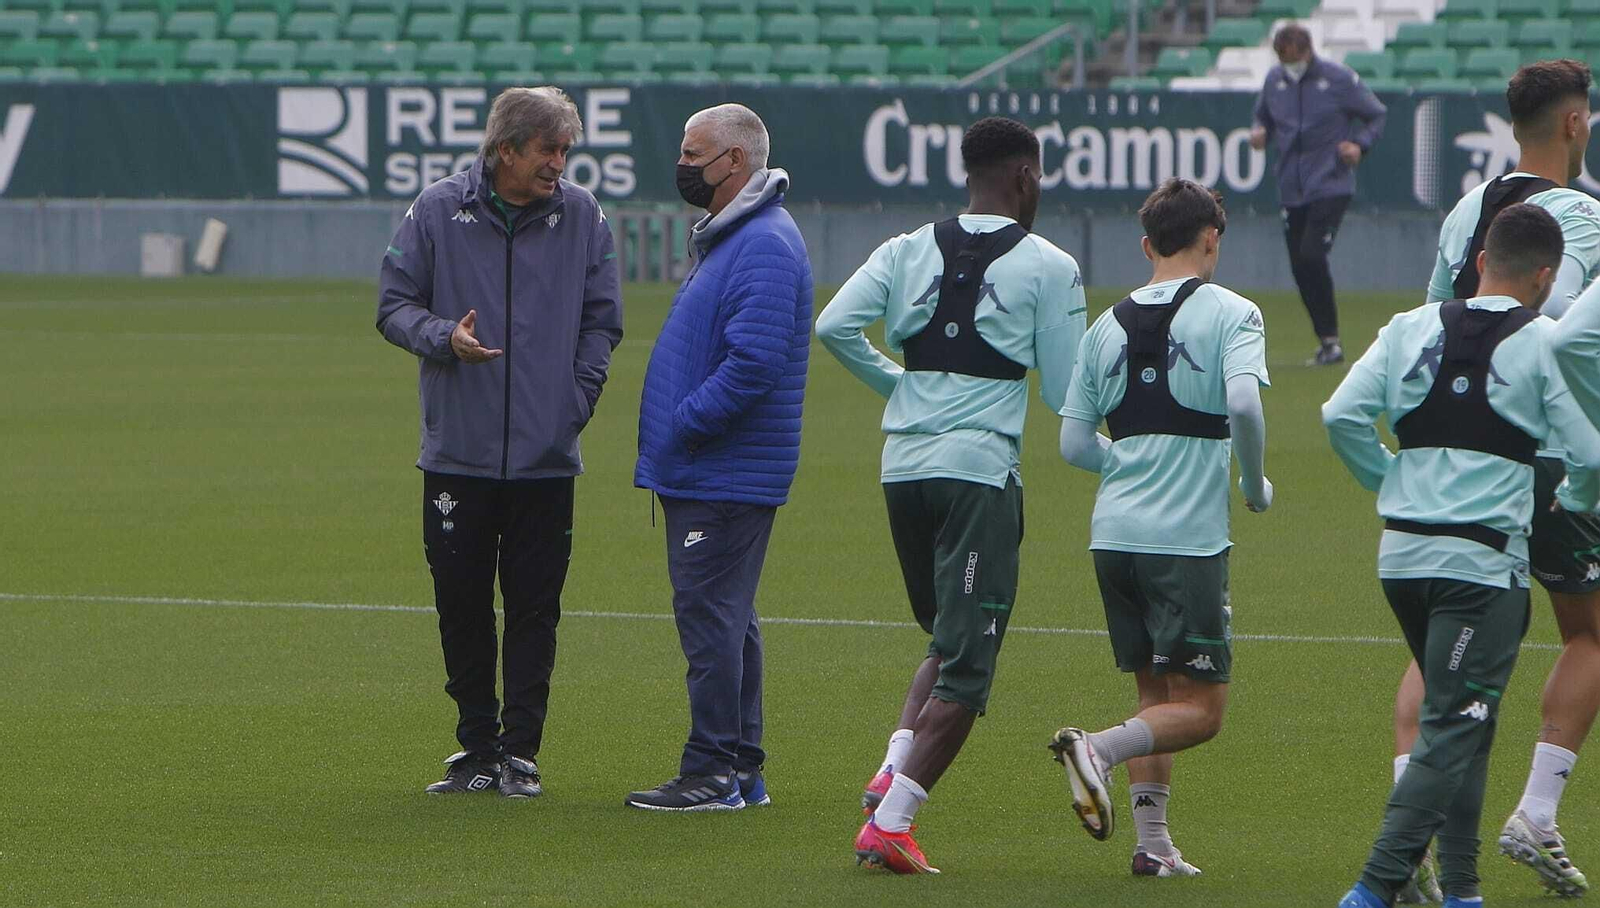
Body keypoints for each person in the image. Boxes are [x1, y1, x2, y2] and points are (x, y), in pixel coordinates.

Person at [816, 116, 1087, 874]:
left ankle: (892, 764)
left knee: (946, 637)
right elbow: (1065, 393)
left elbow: (834, 325)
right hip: (977, 477)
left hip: (904, 470)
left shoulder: (905, 247)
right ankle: (893, 822)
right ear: (1026, 177)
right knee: (971, 665)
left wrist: (900, 384)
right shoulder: (1051, 265)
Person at [1325, 204, 1600, 908]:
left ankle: (1465, 892)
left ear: (1480, 261)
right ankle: (1372, 889)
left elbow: (1340, 415)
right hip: (1479, 570)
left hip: (1401, 559)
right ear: (1546, 277)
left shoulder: (1407, 326)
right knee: (1455, 725)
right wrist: (1574, 494)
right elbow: (1589, 454)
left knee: (1468, 716)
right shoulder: (1543, 342)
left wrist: (1382, 476)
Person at [1391, 58, 1599, 901]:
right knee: (1590, 629)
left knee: (1438, 649)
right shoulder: (1581, 218)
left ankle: (1407, 841)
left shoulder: (1465, 213)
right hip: (1542, 452)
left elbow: (1435, 323)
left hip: (1452, 455)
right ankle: (1537, 812)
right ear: (1575, 124)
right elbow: (1559, 336)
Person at [376, 87, 623, 798]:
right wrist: (443, 339)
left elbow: (603, 321)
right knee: (459, 600)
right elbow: (393, 305)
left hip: (547, 457)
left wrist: (575, 402)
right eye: (548, 150)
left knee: (535, 606)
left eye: (565, 150)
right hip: (459, 450)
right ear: (505, 149)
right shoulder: (436, 209)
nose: (560, 164)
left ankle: (520, 751)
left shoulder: (580, 214)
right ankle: (476, 746)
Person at [1049, 179, 1272, 879]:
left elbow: (1073, 443)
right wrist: (1253, 482)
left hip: (1113, 537)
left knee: (1156, 696)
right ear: (1213, 238)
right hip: (1186, 542)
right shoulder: (1235, 312)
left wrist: (1128, 464)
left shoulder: (1103, 326)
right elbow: (1242, 400)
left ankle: (1153, 846)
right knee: (1202, 710)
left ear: (1148, 245)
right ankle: (1099, 751)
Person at [626, 103, 813, 812]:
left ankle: (710, 772)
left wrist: (686, 424)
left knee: (710, 620)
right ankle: (741, 768)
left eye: (693, 152)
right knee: (730, 619)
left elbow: (755, 361)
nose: (682, 164)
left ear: (734, 162)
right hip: (716, 465)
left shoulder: (761, 241)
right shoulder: (738, 235)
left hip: (724, 468)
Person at [1249, 23, 1386, 366]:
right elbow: (1261, 116)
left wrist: (1359, 145)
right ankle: (1328, 342)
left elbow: (1376, 115)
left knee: (1311, 254)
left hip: (1330, 182)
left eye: (1293, 58)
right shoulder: (1274, 80)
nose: (1289, 65)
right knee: (1299, 265)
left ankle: (1332, 341)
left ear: (1307, 52)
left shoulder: (1338, 79)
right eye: (1282, 59)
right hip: (1291, 188)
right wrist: (1259, 132)